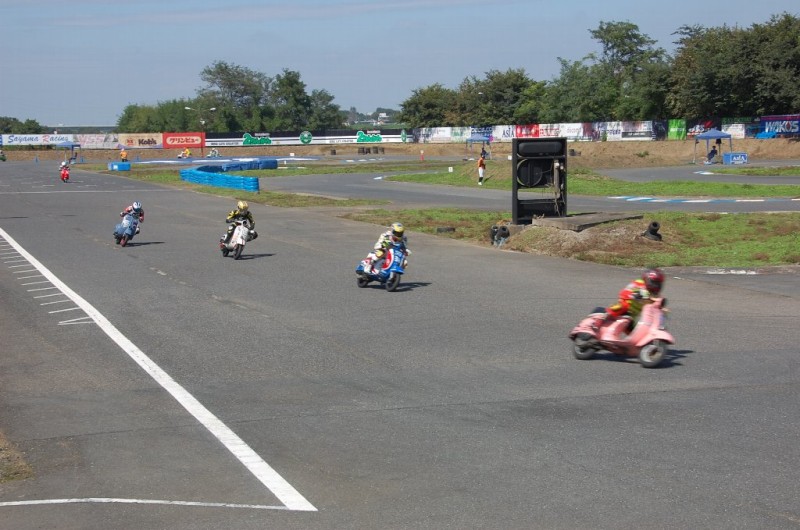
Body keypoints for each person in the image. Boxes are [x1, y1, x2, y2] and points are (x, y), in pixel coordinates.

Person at [595, 268, 665, 330]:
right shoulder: (639, 283)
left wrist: (661, 307)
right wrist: (637, 294)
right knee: (621, 306)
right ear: (646, 279)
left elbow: (658, 303)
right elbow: (628, 291)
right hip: (627, 306)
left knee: (635, 331)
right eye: (654, 282)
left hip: (633, 315)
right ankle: (600, 319)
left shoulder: (656, 294)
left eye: (658, 283)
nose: (656, 285)